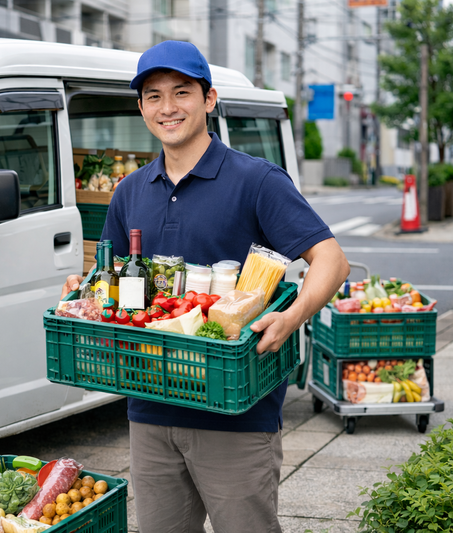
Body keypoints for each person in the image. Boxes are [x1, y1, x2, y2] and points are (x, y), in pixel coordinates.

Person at [60, 41, 349, 533]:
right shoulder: (129, 191)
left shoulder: (255, 180)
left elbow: (332, 260)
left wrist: (292, 315)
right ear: (141, 108)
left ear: (209, 99)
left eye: (181, 92)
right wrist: (83, 291)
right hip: (148, 403)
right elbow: (107, 277)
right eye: (153, 96)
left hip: (235, 410)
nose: (167, 107)